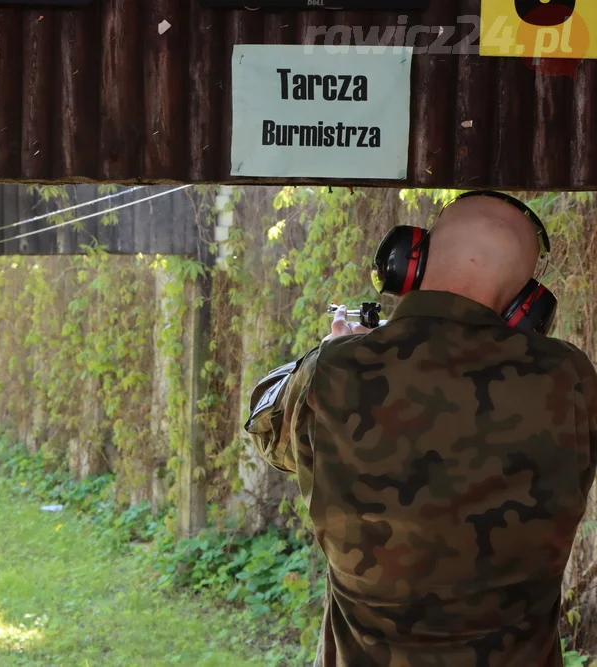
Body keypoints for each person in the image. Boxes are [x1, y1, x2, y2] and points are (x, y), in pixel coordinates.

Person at [244, 191, 597, 667]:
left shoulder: (334, 372)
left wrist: (329, 352)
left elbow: (267, 431)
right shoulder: (571, 380)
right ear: (527, 308)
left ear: (407, 262)